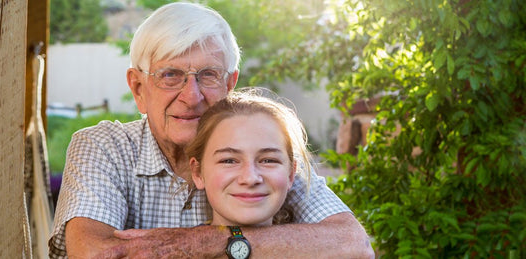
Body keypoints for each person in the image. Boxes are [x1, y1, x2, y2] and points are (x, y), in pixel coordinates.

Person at [50, 2, 374, 258]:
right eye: (170, 75)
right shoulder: (104, 147)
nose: (191, 97)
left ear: (230, 85)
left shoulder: (261, 154)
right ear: (138, 88)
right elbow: (94, 254)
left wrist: (206, 242)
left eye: (208, 75)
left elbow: (351, 245)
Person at [186, 89, 309, 228]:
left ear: (291, 174)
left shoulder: (319, 247)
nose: (250, 179)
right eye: (229, 161)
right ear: (198, 173)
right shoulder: (173, 248)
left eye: (268, 160)